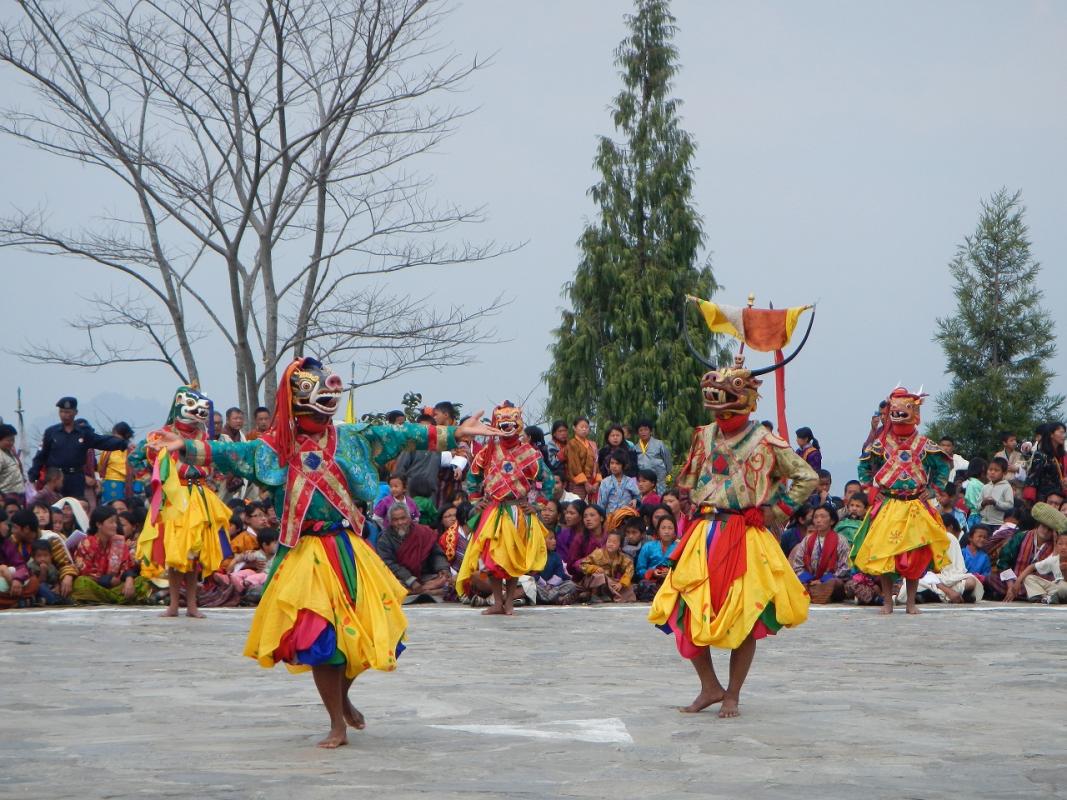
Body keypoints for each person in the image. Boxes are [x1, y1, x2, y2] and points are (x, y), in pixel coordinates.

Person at [158, 356, 498, 748]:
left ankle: (344, 694)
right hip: (304, 553)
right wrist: (187, 445)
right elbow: (233, 453)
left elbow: (400, 435)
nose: (328, 397)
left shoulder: (349, 437)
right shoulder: (274, 447)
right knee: (322, 642)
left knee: (375, 629)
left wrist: (455, 433)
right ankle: (336, 722)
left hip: (347, 547)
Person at [648, 311, 818, 719]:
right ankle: (709, 686)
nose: (719, 406)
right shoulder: (703, 435)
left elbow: (806, 477)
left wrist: (774, 509)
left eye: (727, 396)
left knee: (747, 615)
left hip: (745, 535)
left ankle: (733, 694)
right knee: (682, 609)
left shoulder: (766, 438)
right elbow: (688, 478)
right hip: (703, 533)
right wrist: (684, 503)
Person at [132, 385, 231, 619]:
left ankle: (193, 605)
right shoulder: (162, 433)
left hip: (199, 497)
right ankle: (174, 604)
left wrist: (208, 477)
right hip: (174, 499)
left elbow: (212, 464)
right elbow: (142, 459)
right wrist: (156, 480)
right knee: (175, 553)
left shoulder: (203, 437)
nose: (198, 412)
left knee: (195, 554)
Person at [852, 388, 954, 615]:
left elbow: (943, 466)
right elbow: (863, 464)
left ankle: (910, 602)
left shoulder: (924, 444)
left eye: (905, 408)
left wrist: (934, 490)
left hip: (916, 504)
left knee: (916, 555)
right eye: (895, 409)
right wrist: (870, 490)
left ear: (915, 412)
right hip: (890, 503)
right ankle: (888, 601)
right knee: (887, 554)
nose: (898, 413)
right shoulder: (881, 443)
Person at [456, 402, 552, 615]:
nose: (507, 426)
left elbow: (548, 480)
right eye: (503, 423)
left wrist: (536, 505)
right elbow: (472, 478)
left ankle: (509, 603)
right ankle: (498, 603)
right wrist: (475, 501)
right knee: (492, 560)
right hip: (492, 510)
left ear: (518, 423)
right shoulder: (487, 452)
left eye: (511, 422)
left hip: (517, 511)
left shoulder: (530, 453)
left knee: (512, 560)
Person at [29, 397, 128, 499]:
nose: (64, 415)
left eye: (67, 412)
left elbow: (102, 441)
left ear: (75, 412)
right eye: (61, 412)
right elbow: (41, 456)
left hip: (76, 478)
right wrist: (33, 476)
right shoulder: (51, 432)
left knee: (76, 506)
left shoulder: (83, 432)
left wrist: (124, 444)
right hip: (56, 478)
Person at [71, 506, 149, 604]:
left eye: (116, 522)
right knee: (81, 582)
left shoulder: (119, 542)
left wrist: (129, 580)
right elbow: (84, 571)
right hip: (95, 586)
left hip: (116, 587)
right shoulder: (86, 543)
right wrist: (107, 580)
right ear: (99, 524)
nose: (115, 526)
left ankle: (111, 598)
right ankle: (117, 599)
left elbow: (127, 566)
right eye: (111, 522)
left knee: (142, 581)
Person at [376, 503, 451, 603]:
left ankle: (419, 591)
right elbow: (389, 563)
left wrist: (443, 568)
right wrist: (411, 580)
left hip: (425, 576)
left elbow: (436, 553)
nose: (400, 523)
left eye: (403, 518)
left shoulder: (423, 532)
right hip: (401, 579)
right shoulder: (385, 539)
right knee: (388, 585)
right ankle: (425, 591)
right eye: (395, 520)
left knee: (447, 581)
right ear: (390, 522)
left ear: (409, 518)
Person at [0, 508, 76, 607]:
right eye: (6, 525)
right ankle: (24, 601)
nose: (11, 530)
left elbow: (66, 564)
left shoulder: (51, 539)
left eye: (15, 527)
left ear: (26, 529)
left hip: (49, 583)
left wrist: (67, 577)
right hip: (13, 584)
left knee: (34, 583)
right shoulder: (13, 540)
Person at [987, 502, 1063, 600]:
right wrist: (1011, 586)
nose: (1045, 531)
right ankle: (1021, 594)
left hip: (1036, 582)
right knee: (990, 579)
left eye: (1050, 530)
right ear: (1038, 525)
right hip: (1013, 579)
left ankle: (1024, 595)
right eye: (1044, 527)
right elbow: (1003, 562)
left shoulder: (1054, 545)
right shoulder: (1021, 537)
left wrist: (1056, 543)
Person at [788, 505, 849, 602]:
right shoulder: (807, 540)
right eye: (815, 517)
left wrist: (822, 580)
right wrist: (810, 580)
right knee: (793, 581)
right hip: (810, 580)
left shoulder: (841, 540)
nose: (818, 520)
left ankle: (815, 594)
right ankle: (816, 593)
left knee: (835, 583)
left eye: (823, 517)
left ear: (832, 521)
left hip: (829, 580)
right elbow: (798, 565)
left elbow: (844, 567)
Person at [1006, 530, 1067, 604]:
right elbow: (1032, 567)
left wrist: (1065, 572)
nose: (1063, 547)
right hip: (1055, 589)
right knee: (1029, 578)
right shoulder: (1054, 559)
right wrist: (1018, 582)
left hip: (1063, 588)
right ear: (1056, 545)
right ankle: (1045, 598)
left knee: (1061, 585)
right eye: (1060, 544)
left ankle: (1049, 597)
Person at [577, 530, 635, 603]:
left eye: (614, 542)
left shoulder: (621, 557)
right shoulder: (598, 553)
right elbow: (583, 564)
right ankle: (594, 594)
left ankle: (604, 594)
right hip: (593, 580)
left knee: (627, 587)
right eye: (609, 541)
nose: (611, 544)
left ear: (620, 545)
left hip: (608, 581)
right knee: (600, 576)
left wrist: (621, 583)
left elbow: (629, 569)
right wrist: (594, 568)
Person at [635, 515, 677, 601]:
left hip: (672, 582)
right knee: (643, 585)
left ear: (675, 531)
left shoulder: (679, 548)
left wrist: (670, 573)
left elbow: (684, 569)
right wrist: (652, 572)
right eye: (663, 528)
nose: (666, 531)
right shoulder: (648, 546)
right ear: (658, 531)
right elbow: (639, 569)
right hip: (651, 582)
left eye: (670, 528)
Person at [1025, 422, 1067, 502]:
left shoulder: (1060, 456)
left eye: (1064, 433)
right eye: (1061, 432)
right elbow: (1033, 478)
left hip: (1058, 497)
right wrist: (1030, 500)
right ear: (1051, 434)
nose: (1064, 436)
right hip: (1044, 498)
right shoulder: (1040, 455)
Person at [535, 528, 578, 605]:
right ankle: (557, 599)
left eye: (554, 538)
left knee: (571, 585)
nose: (554, 541)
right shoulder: (535, 556)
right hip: (540, 586)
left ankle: (548, 598)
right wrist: (544, 584)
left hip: (553, 587)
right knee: (532, 586)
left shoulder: (556, 556)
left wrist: (550, 585)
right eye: (550, 538)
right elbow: (533, 575)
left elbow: (559, 574)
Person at [566, 503, 607, 579]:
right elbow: (571, 566)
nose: (588, 519)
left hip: (608, 575)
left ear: (601, 518)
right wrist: (591, 566)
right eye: (585, 516)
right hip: (585, 577)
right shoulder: (580, 538)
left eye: (592, 515)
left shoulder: (610, 537)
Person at [564, 417, 600, 502]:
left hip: (592, 482)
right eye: (581, 427)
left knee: (592, 509)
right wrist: (585, 483)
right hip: (578, 483)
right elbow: (574, 466)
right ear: (574, 428)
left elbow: (596, 463)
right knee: (577, 507)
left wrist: (597, 482)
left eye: (586, 427)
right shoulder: (572, 444)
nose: (584, 429)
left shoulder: (592, 444)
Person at [635, 419, 671, 494]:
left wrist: (668, 474)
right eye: (640, 430)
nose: (643, 432)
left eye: (646, 430)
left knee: (660, 499)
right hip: (643, 480)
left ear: (650, 431)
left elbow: (667, 459)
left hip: (659, 478)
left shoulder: (659, 444)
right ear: (638, 433)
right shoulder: (635, 447)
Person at [27, 539, 68, 605]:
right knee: (41, 586)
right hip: (37, 590)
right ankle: (55, 600)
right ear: (33, 557)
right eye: (39, 556)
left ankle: (54, 598)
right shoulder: (32, 567)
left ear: (51, 556)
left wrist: (57, 587)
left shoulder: (51, 567)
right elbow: (38, 583)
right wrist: (43, 571)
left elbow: (55, 579)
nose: (43, 559)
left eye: (46, 555)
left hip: (50, 589)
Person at [980, 457, 1015, 530]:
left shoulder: (1006, 487)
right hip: (984, 523)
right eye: (990, 470)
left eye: (996, 470)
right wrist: (982, 503)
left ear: (1004, 472)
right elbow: (977, 505)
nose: (992, 472)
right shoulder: (985, 487)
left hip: (998, 524)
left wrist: (995, 503)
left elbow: (1010, 505)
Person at [0, 424, 26, 497]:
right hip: (5, 496)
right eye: (8, 440)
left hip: (18, 494)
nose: (11, 443)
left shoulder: (10, 452)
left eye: (13, 440)